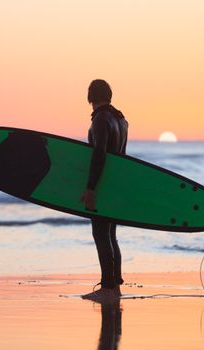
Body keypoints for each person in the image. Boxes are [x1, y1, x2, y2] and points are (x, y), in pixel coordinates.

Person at [80, 79, 128, 303]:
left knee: (100, 234)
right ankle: (114, 286)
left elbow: (99, 155)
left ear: (90, 97)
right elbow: (122, 159)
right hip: (115, 186)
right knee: (110, 235)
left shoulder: (100, 119)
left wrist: (90, 188)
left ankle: (108, 288)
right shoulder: (121, 119)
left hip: (102, 185)